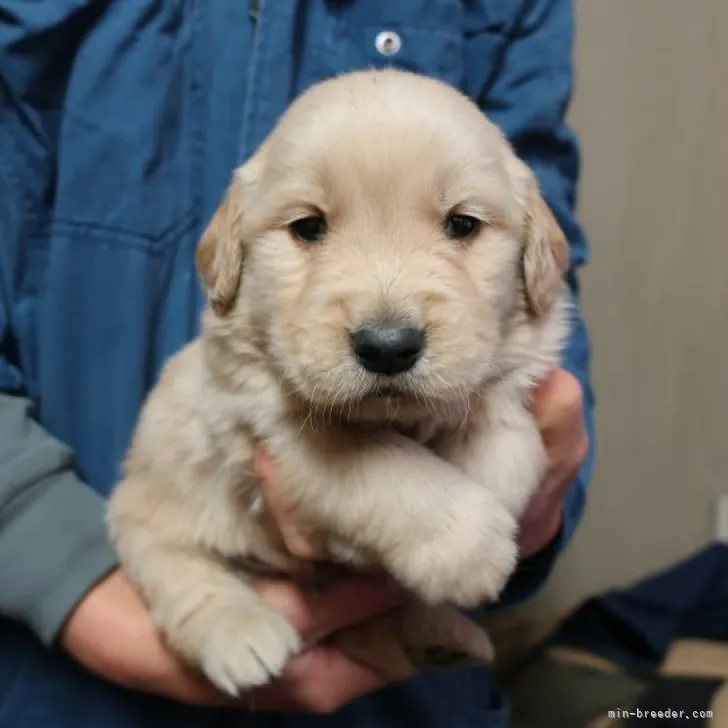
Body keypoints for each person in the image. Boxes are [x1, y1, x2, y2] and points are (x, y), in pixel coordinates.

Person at [0, 0, 594, 726]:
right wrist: (65, 572)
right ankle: (203, 596)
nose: (387, 326)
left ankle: (387, 629)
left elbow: (551, 337)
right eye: (309, 227)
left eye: (461, 226)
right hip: (70, 678)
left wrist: (532, 498)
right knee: (174, 539)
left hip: (405, 709)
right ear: (231, 257)